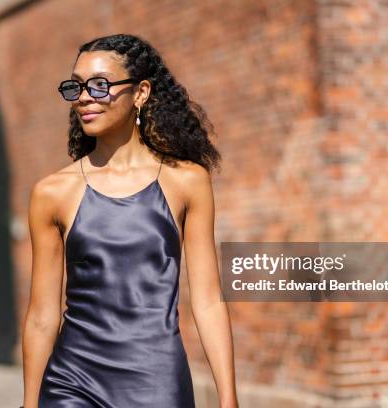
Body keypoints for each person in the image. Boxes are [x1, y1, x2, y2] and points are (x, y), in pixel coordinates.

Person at [21, 33, 238, 408]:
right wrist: (28, 403)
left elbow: (207, 301)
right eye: (77, 87)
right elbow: (42, 315)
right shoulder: (51, 192)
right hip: (71, 382)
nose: (85, 97)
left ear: (140, 93)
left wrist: (228, 399)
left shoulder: (187, 181)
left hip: (156, 381)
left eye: (100, 85)